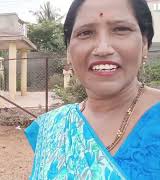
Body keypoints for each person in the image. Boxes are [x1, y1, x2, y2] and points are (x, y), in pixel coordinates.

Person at [25, 0, 160, 179]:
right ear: (68, 52)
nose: (103, 49)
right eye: (86, 33)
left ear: (144, 44)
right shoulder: (53, 129)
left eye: (121, 29)